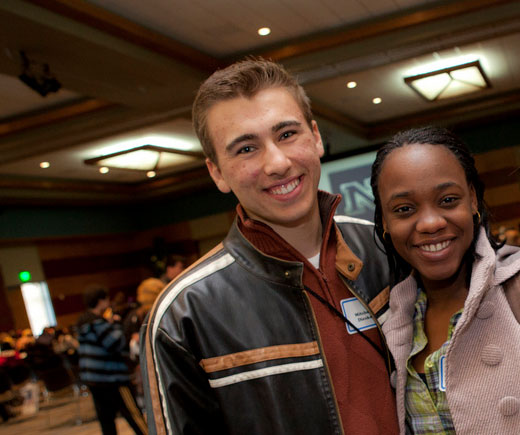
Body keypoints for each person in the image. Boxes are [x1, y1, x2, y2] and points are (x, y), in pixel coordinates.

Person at [140, 59, 397, 434]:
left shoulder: (384, 246)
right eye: (246, 149)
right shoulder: (184, 315)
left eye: (287, 134)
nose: (277, 162)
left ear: (316, 136)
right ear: (217, 173)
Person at [372, 126, 520, 434]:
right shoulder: (389, 325)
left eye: (447, 200)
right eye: (404, 209)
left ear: (472, 200)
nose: (431, 222)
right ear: (384, 221)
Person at [76, 285, 147, 435]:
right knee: (133, 414)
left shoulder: (83, 323)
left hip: (93, 379)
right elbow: (116, 344)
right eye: (106, 299)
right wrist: (116, 324)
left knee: (106, 419)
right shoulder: (98, 323)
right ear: (100, 301)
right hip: (111, 378)